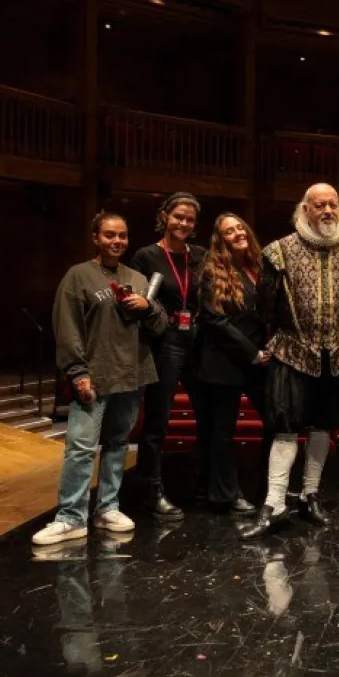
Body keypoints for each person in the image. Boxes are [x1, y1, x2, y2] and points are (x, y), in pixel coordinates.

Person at [241, 183, 339, 539]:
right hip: (292, 351)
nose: (328, 211)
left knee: (324, 425)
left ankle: (310, 496)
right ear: (305, 209)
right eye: (320, 205)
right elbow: (265, 307)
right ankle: (274, 503)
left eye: (333, 204)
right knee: (284, 425)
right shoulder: (277, 252)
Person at [33, 212, 168, 546]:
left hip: (131, 375)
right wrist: (77, 372)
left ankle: (107, 507)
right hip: (94, 377)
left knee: (119, 444)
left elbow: (160, 326)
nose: (117, 241)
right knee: (80, 449)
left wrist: (147, 307)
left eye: (122, 235)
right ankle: (70, 517)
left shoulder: (138, 278)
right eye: (109, 235)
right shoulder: (78, 276)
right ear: (95, 237)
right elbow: (67, 329)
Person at [129, 192, 205, 521]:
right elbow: (140, 303)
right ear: (165, 216)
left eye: (190, 219)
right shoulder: (146, 256)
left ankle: (204, 486)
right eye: (179, 217)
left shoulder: (201, 256)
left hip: (199, 340)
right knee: (157, 422)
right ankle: (152, 489)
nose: (184, 223)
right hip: (166, 342)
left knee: (210, 417)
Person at [193, 213, 268, 514]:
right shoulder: (213, 270)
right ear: (220, 239)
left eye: (240, 227)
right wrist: (252, 352)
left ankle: (269, 487)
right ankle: (225, 495)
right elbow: (215, 320)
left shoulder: (258, 266)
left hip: (257, 360)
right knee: (221, 431)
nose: (237, 233)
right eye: (229, 231)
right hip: (222, 362)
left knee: (278, 421)